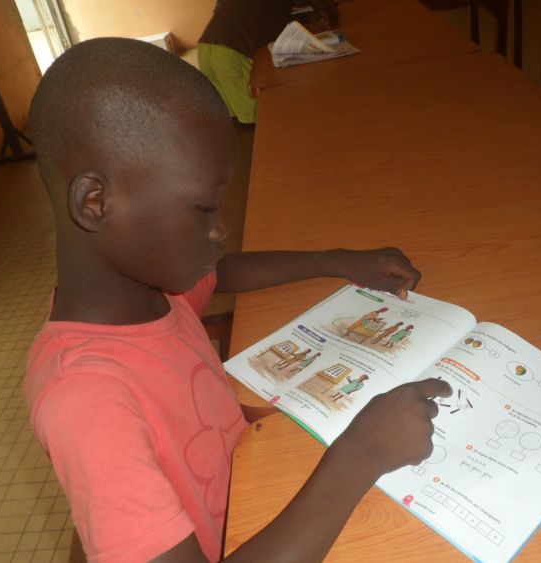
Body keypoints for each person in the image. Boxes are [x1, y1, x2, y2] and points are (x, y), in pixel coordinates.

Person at [26, 37, 451, 563]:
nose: (221, 228)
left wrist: (336, 260)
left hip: (257, 485)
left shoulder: (149, 294)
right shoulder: (85, 401)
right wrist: (361, 454)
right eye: (204, 207)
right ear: (96, 202)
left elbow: (220, 270)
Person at [198, 0, 338, 123]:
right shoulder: (280, 5)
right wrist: (317, 15)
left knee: (229, 116)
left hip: (205, 47)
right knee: (255, 117)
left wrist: (311, 16)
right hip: (230, 52)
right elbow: (282, 27)